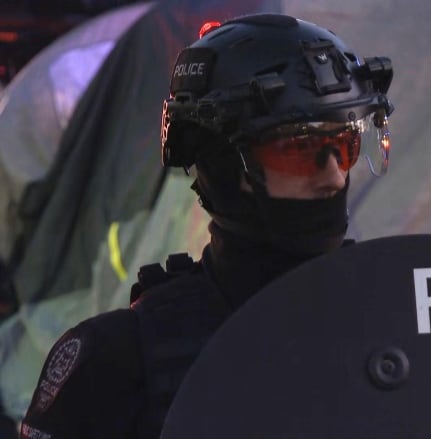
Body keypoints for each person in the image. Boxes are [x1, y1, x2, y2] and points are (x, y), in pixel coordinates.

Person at [20, 12, 394, 439]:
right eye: (298, 147)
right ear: (222, 165)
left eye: (344, 146)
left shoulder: (398, 315)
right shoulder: (120, 359)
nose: (332, 176)